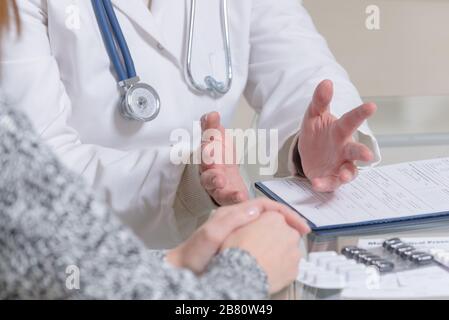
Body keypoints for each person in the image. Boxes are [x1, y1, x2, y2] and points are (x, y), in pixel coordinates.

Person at [0, 0, 381, 248]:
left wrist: (306, 145)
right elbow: (33, 172)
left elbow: (302, 70)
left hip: (216, 252)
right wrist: (186, 180)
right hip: (78, 258)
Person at [0, 2, 310, 299]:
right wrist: (247, 270)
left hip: (180, 249)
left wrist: (308, 141)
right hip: (101, 257)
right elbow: (35, 181)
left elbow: (301, 65)